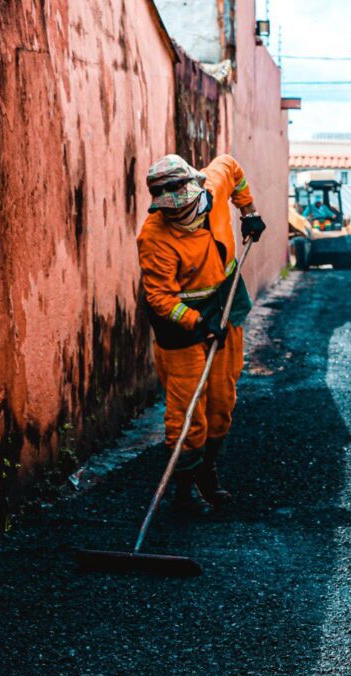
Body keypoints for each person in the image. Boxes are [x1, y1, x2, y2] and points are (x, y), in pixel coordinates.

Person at [138, 154, 267, 514]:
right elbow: (159, 297)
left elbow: (232, 167)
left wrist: (249, 211)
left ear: (198, 191)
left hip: (223, 302)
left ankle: (208, 470)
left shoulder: (214, 181)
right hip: (181, 322)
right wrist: (196, 323)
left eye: (187, 208)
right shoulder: (154, 238)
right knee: (187, 408)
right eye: (172, 212)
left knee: (222, 399)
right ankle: (184, 483)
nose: (181, 217)